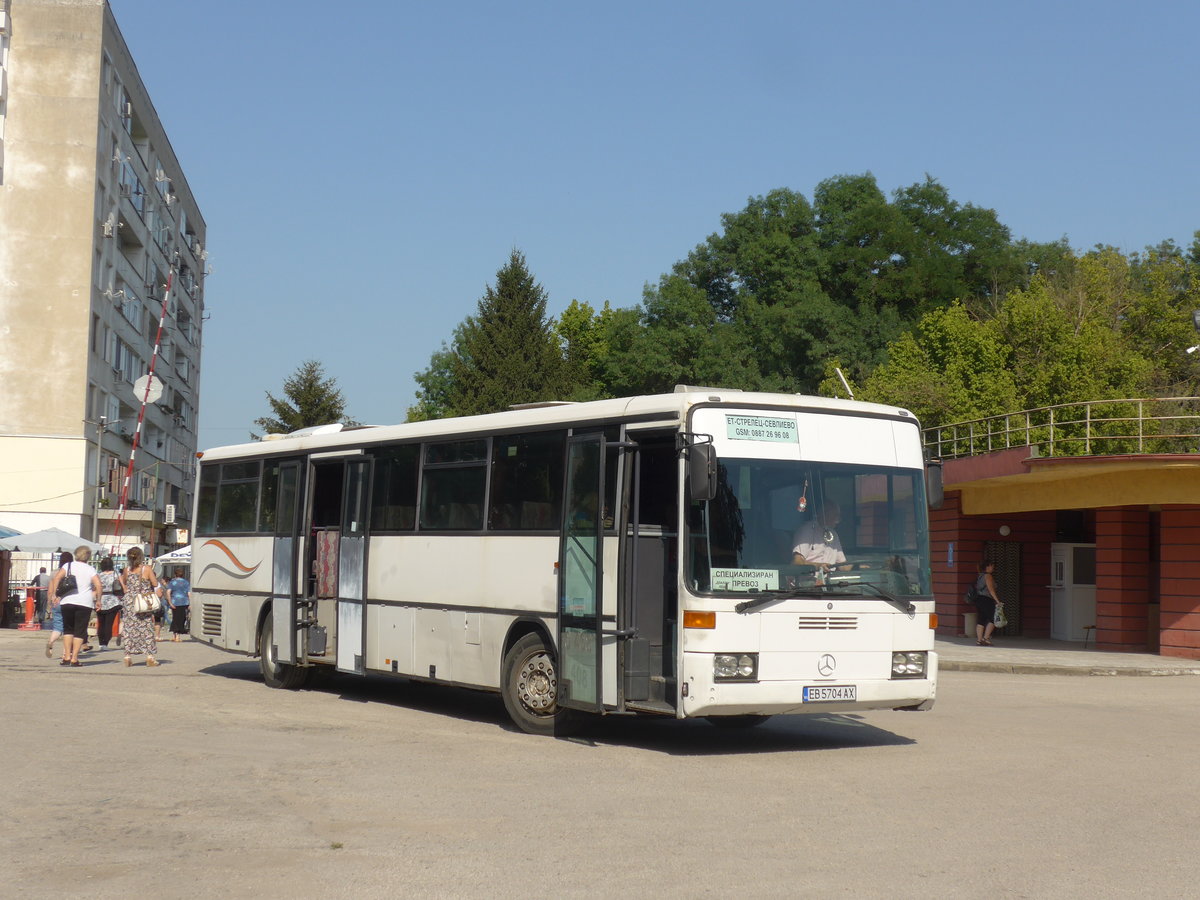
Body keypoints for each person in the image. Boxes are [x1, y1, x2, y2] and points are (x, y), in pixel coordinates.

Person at [47, 546, 102, 667]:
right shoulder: (90, 569)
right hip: (84, 603)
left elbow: (57, 577)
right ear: (88, 556)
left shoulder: (68, 566)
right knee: (80, 631)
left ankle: (66, 656)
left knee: (68, 629)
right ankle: (74, 658)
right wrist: (98, 599)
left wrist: (55, 594)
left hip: (67, 601)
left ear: (76, 554)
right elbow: (98, 584)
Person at [119, 546, 161, 667]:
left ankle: (127, 655)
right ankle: (150, 657)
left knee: (129, 628)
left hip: (129, 601)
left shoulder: (127, 570)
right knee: (146, 628)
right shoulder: (146, 569)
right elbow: (155, 583)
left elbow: (126, 582)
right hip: (143, 601)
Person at [792, 500, 847, 568]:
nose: (837, 520)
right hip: (810, 577)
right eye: (835, 515)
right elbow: (797, 562)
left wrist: (860, 566)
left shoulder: (833, 534)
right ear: (824, 513)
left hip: (831, 577)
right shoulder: (807, 530)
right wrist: (818, 566)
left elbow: (842, 565)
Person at [42, 552, 71, 660]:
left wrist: (50, 601)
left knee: (57, 626)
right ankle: (65, 653)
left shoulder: (54, 573)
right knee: (68, 629)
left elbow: (50, 590)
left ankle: (50, 642)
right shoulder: (71, 572)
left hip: (56, 602)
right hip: (68, 602)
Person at [95, 557, 122, 651]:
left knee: (101, 623)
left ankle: (101, 643)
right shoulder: (116, 574)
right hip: (113, 600)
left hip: (100, 599)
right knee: (108, 623)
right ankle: (105, 642)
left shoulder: (98, 575)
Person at [973, 560, 1002, 646]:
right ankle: (986, 638)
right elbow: (991, 589)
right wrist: (997, 601)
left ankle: (979, 640)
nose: (993, 568)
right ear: (988, 566)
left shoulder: (980, 576)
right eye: (992, 566)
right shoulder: (988, 576)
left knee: (981, 619)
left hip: (979, 599)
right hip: (987, 599)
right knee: (993, 618)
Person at [166, 567, 191, 641]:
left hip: (174, 602)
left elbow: (168, 592)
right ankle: (178, 636)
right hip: (184, 602)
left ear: (175, 574)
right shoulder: (186, 582)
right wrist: (190, 603)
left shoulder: (172, 582)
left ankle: (174, 635)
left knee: (175, 618)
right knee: (181, 619)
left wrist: (170, 602)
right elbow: (189, 593)